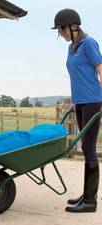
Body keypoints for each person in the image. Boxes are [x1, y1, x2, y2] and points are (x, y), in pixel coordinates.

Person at [52, 8, 102, 213]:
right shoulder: (71, 48)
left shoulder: (89, 44)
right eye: (59, 30)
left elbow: (100, 69)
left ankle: (90, 201)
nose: (61, 33)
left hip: (93, 101)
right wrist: (75, 101)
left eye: (62, 29)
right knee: (85, 147)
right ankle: (86, 194)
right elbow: (77, 76)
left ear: (73, 26)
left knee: (89, 148)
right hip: (81, 102)